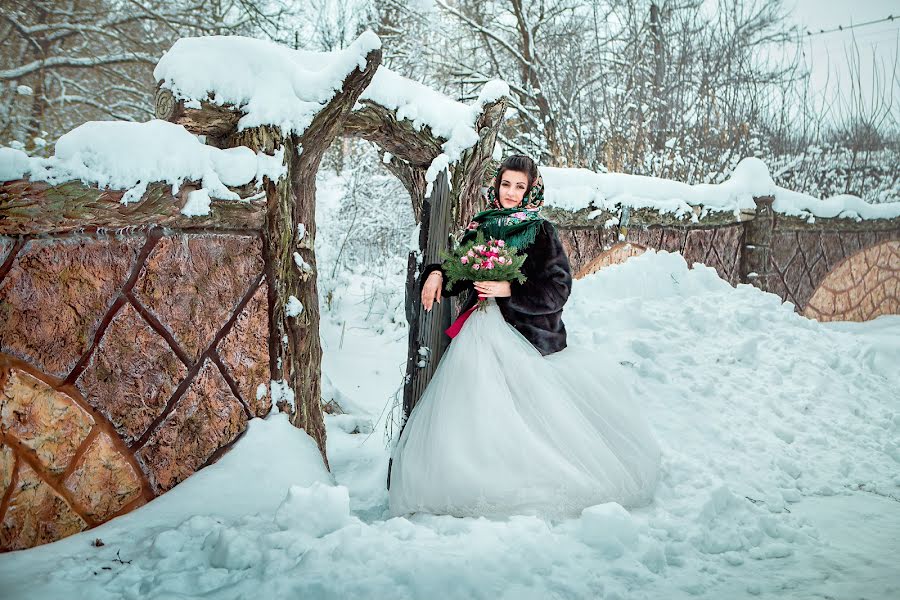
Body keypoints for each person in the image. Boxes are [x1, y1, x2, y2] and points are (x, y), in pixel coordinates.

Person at [388, 155, 661, 519]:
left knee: (525, 414)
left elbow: (558, 288)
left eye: (520, 186)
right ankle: (473, 476)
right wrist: (437, 274)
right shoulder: (481, 227)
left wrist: (508, 289)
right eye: (506, 185)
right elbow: (461, 270)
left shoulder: (541, 230)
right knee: (474, 402)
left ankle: (524, 479)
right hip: (479, 329)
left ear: (531, 189)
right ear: (496, 185)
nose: (512, 193)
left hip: (526, 336)